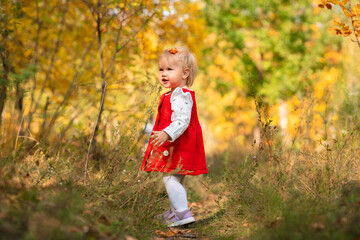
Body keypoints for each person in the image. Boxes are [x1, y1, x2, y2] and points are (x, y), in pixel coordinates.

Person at [140, 47, 208, 227]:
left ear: (185, 73)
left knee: (169, 177)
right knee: (175, 178)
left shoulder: (180, 94)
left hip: (179, 143)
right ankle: (174, 212)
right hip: (179, 142)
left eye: (170, 69)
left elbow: (183, 120)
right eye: (161, 69)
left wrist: (166, 133)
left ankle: (181, 213)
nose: (163, 73)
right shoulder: (174, 93)